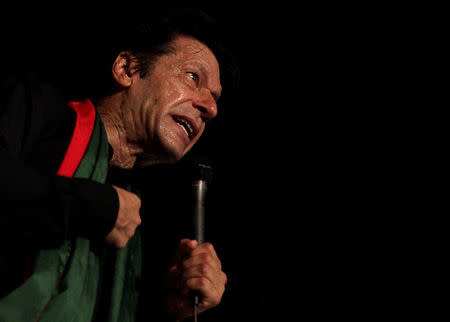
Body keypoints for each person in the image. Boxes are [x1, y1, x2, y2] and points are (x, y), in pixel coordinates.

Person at [0, 8, 233, 321]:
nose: (211, 108)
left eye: (215, 98)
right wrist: (94, 207)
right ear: (127, 69)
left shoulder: (143, 224)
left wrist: (170, 310)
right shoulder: (29, 108)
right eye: (193, 77)